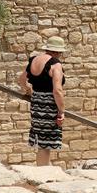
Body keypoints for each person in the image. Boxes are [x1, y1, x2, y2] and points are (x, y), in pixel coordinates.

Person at [17, 36, 66, 166]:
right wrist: (61, 111)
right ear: (57, 52)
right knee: (46, 144)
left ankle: (42, 169)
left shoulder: (34, 60)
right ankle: (43, 174)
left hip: (36, 103)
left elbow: (22, 80)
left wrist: (29, 91)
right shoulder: (55, 64)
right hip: (49, 105)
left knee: (41, 143)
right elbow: (57, 90)